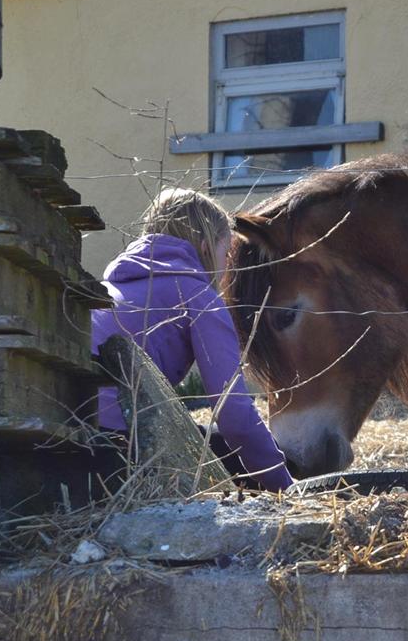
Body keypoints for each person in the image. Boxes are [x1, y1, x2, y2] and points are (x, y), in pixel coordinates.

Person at [91, 187, 293, 491]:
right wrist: (288, 491)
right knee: (232, 449)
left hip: (75, 436)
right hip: (121, 452)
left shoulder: (108, 288)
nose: (227, 269)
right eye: (227, 254)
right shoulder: (197, 296)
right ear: (205, 247)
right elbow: (235, 417)